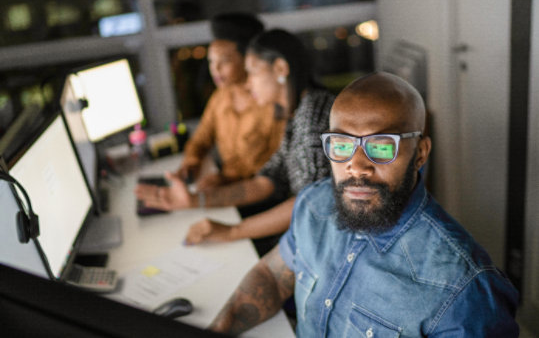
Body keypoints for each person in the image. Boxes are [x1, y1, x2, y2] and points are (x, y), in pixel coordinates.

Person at [206, 72, 520, 337]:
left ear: (420, 154)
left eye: (382, 147)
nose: (356, 166)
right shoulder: (313, 206)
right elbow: (273, 277)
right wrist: (219, 327)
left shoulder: (464, 288)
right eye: (341, 145)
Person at [135, 29, 335, 255]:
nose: (248, 85)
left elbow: (310, 205)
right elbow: (266, 182)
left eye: (252, 73)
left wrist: (231, 231)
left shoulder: (314, 115)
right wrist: (194, 199)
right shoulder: (294, 114)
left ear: (280, 69)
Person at [176, 13, 286, 190]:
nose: (215, 69)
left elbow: (274, 174)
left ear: (248, 60)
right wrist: (192, 162)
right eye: (211, 61)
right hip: (223, 186)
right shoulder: (220, 97)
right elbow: (200, 140)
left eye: (224, 61)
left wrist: (224, 180)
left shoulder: (271, 103)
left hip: (256, 195)